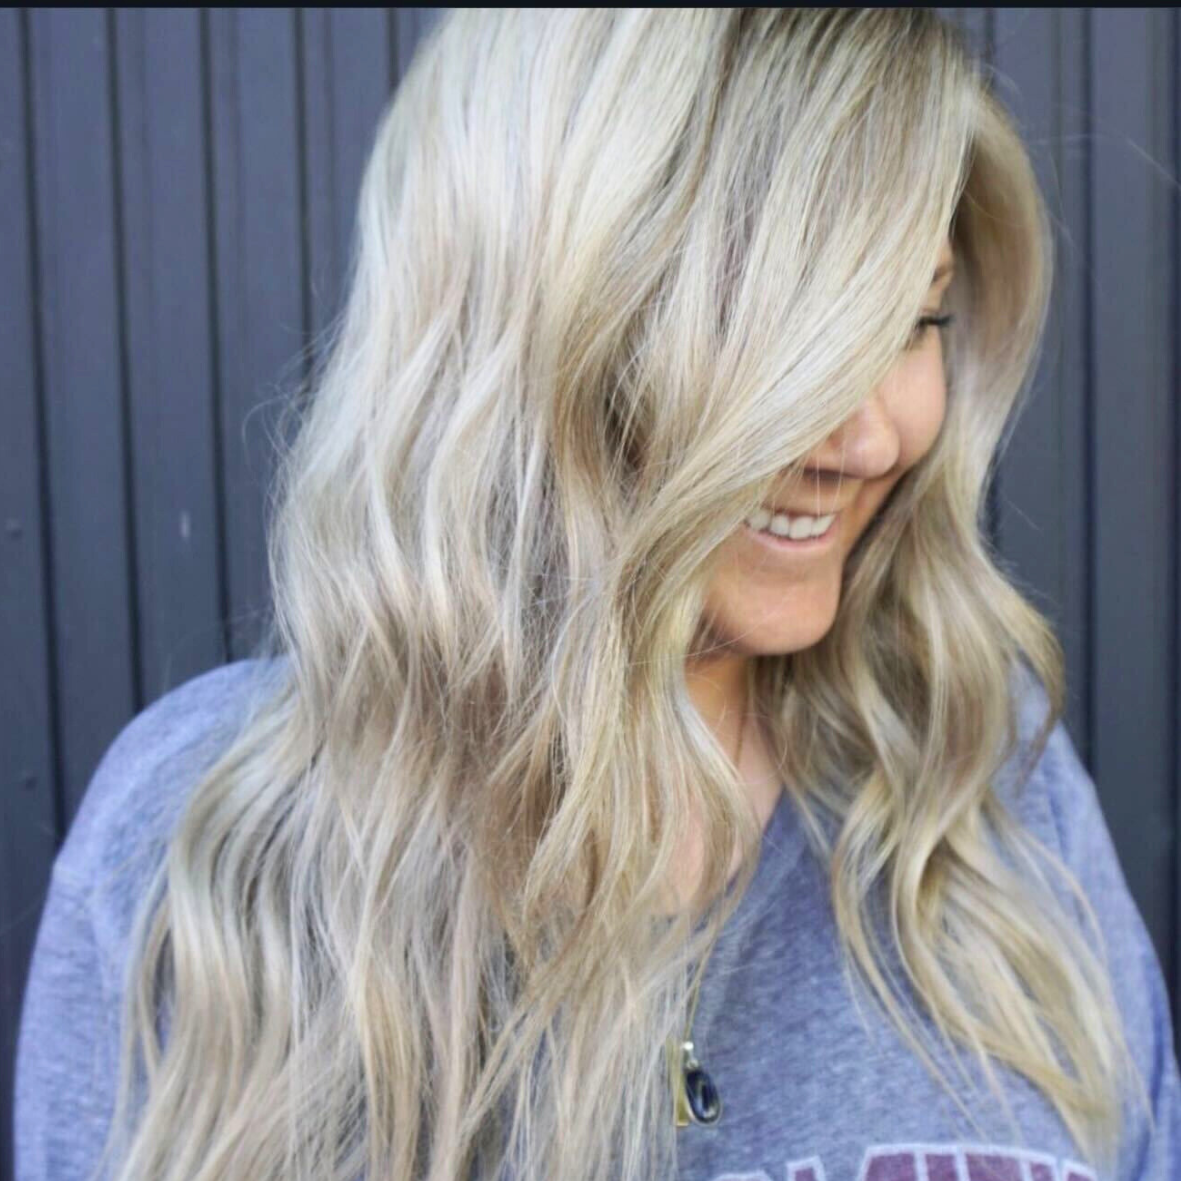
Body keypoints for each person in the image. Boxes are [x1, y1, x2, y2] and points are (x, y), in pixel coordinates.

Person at [14, 10, 1181, 1181]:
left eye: (912, 318)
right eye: (764, 320)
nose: (871, 433)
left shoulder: (980, 769)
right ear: (522, 316)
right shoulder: (200, 849)